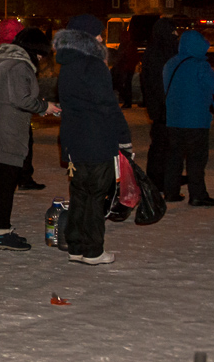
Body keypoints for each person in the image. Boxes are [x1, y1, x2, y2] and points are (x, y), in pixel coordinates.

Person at [54, 14, 132, 265]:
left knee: (79, 194)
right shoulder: (93, 65)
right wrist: (123, 137)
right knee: (96, 196)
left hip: (74, 140)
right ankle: (93, 250)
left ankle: (75, 246)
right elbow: (107, 105)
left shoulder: (66, 66)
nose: (102, 38)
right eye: (99, 34)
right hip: (97, 139)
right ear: (87, 37)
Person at [0, 28, 59, 251]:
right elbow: (22, 99)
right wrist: (45, 106)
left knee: (0, 182)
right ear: (35, 51)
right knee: (5, 184)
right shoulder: (20, 66)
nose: (42, 60)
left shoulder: (4, 63)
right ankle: (2, 234)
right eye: (42, 55)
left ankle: (1, 230)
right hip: (7, 129)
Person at [162, 30, 214, 206]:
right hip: (196, 120)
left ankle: (171, 192)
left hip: (173, 120)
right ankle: (198, 195)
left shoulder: (170, 64)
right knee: (196, 159)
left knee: (174, 157)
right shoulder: (200, 66)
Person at [0, 18, 44, 190]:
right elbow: (23, 96)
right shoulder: (21, 53)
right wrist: (42, 106)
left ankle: (7, 178)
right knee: (22, 144)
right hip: (14, 111)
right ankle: (24, 177)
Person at [140, 18, 178, 192]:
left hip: (162, 105)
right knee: (162, 143)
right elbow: (156, 82)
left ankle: (164, 176)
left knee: (165, 143)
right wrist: (164, 104)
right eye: (172, 31)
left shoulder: (158, 49)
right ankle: (158, 178)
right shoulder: (159, 52)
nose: (176, 34)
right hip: (163, 106)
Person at [111, 31, 140, 108]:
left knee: (123, 85)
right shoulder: (129, 45)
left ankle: (127, 101)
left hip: (125, 68)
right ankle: (127, 101)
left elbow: (122, 57)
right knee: (126, 85)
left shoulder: (126, 45)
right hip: (127, 68)